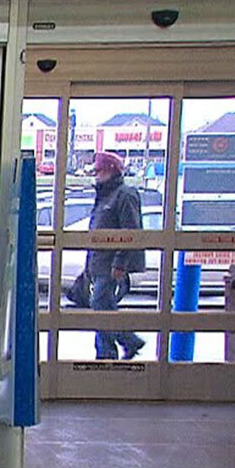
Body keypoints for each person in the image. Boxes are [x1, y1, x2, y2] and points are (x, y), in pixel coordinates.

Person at [83, 150, 146, 360]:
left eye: (99, 171)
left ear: (111, 170)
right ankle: (117, 347)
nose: (96, 175)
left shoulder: (124, 195)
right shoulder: (105, 195)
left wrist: (120, 263)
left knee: (101, 307)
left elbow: (131, 232)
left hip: (111, 265)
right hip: (100, 264)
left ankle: (113, 350)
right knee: (102, 307)